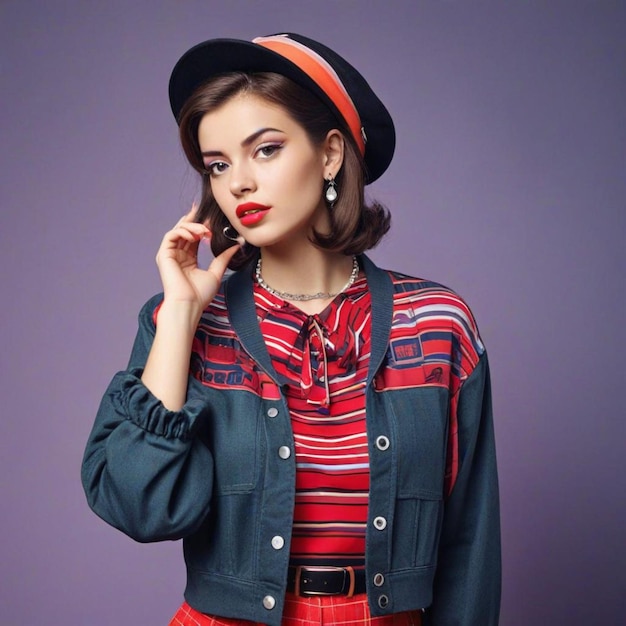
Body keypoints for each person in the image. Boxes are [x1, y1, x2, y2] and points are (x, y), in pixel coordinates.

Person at [81, 33, 501, 626]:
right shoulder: (180, 321)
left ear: (330, 154)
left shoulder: (437, 323)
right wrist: (180, 316)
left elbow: (469, 543)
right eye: (218, 165)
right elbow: (141, 507)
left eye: (266, 150)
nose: (238, 184)